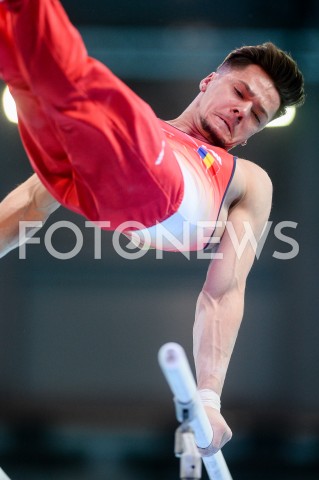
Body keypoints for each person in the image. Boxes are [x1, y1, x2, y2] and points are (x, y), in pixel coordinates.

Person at [0, 0, 304, 455]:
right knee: (30, 72)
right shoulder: (144, 127)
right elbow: (26, 207)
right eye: (240, 92)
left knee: (72, 80)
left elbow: (224, 292)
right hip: (87, 175)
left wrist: (208, 396)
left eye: (258, 115)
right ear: (208, 81)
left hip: (163, 188)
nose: (244, 111)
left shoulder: (247, 179)